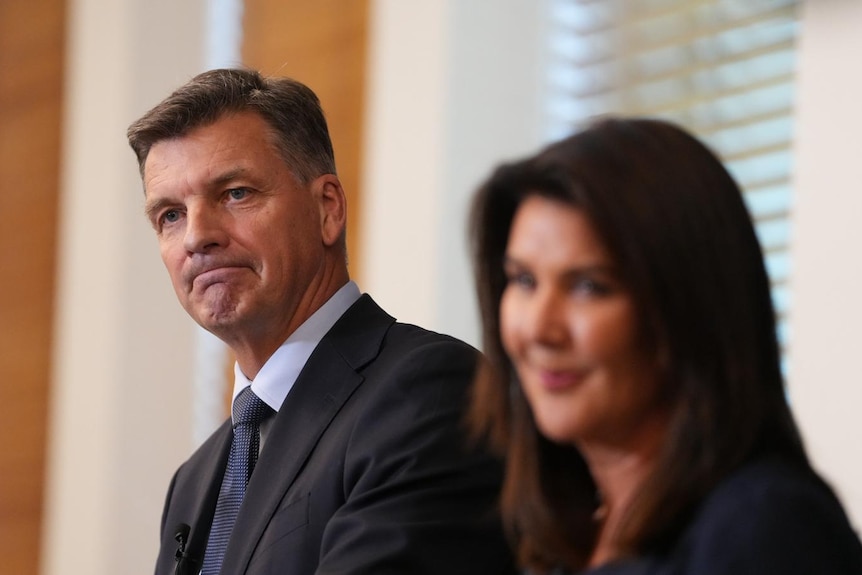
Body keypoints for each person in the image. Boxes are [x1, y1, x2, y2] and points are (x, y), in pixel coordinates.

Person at [127, 68, 515, 575]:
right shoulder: (195, 479)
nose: (198, 236)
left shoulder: (429, 393)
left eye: (236, 193)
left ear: (327, 208)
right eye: (170, 215)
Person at [467, 117, 862, 574]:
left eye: (589, 287)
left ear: (689, 307)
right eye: (524, 280)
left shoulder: (765, 526)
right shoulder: (563, 540)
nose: (538, 328)